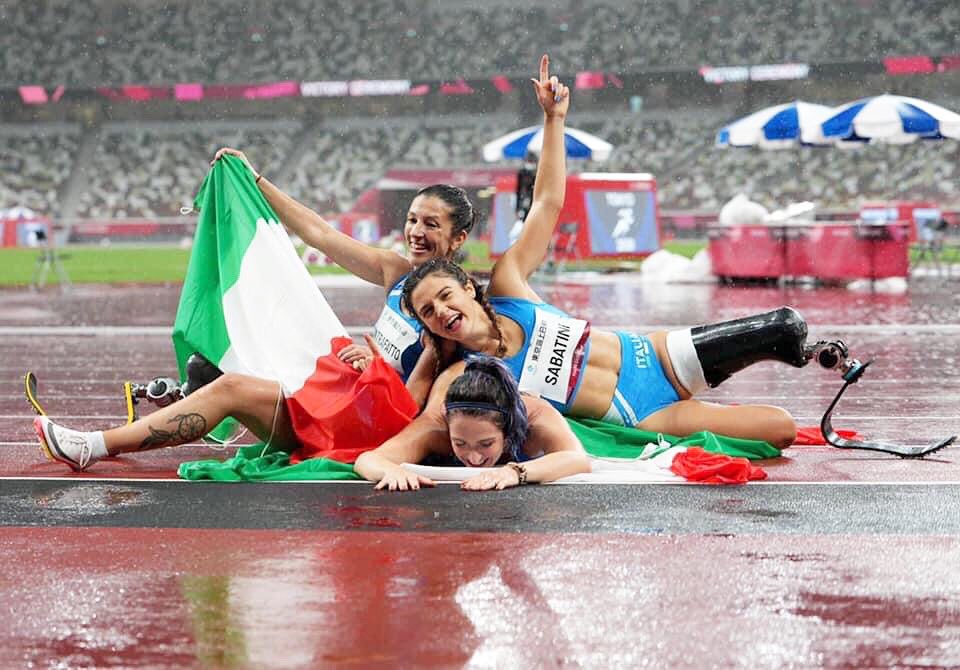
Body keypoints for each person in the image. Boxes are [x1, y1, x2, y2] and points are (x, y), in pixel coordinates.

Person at [211, 54, 570, 385]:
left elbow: (546, 204)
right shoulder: (394, 271)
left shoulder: (466, 308)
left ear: (458, 238)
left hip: (385, 410)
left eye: (431, 225)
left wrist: (554, 120)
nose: (415, 232)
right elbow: (319, 233)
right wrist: (255, 182)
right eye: (412, 220)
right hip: (361, 388)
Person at [397, 257, 846, 450]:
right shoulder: (462, 374)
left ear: (469, 289)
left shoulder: (512, 287)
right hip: (641, 414)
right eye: (427, 312)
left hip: (655, 357)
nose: (441, 311)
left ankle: (811, 353)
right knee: (781, 429)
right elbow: (417, 421)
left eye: (444, 296)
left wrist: (554, 121)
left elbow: (548, 203)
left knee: (783, 325)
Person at [353, 356, 590, 491]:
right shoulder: (435, 427)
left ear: (507, 432)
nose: (474, 458)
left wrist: (516, 472)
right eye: (460, 443)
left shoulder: (536, 419)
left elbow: (578, 459)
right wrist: (391, 469)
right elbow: (368, 459)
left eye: (486, 443)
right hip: (448, 379)